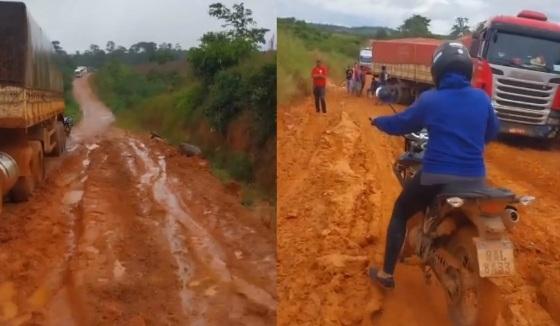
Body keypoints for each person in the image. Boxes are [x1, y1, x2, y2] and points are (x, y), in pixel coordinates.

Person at [368, 42, 499, 288]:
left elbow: (402, 123)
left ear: (437, 70)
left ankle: (386, 275)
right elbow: (492, 132)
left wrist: (379, 121)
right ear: (467, 69)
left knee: (400, 210)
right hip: (475, 178)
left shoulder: (431, 99)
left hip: (437, 175)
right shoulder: (482, 99)